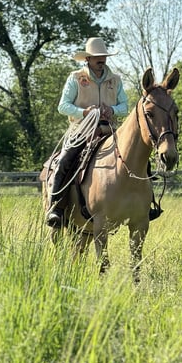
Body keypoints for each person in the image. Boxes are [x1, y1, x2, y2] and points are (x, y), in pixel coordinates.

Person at [45, 37, 129, 228]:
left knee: (136, 157)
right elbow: (62, 106)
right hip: (81, 130)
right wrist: (84, 112)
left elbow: (125, 105)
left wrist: (113, 110)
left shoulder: (115, 80)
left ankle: (144, 204)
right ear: (88, 59)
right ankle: (56, 209)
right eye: (97, 57)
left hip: (109, 130)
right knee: (65, 161)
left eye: (103, 56)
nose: (102, 59)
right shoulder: (76, 78)